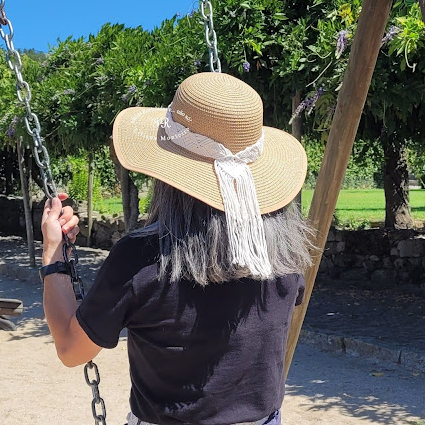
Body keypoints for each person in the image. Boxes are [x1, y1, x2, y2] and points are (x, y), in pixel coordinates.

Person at [41, 72, 313, 425]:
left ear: (167, 175)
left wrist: (54, 258)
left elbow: (71, 348)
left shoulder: (141, 261)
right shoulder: (286, 258)